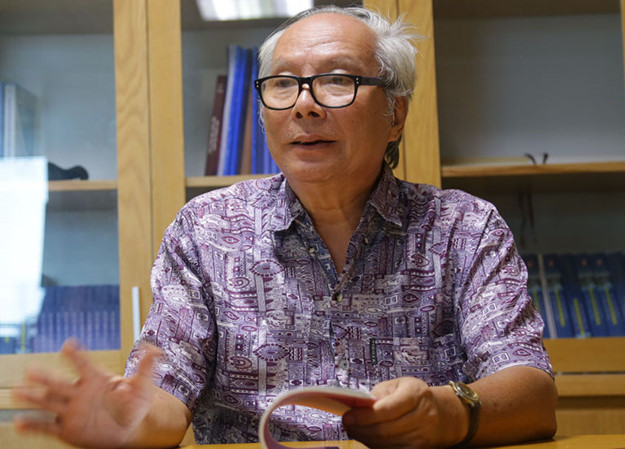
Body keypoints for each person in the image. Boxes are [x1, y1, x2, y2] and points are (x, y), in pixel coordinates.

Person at [12, 5, 557, 449]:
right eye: (283, 84)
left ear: (395, 114)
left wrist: (450, 413)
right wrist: (127, 422)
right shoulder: (206, 230)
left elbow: (532, 392)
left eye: (337, 81)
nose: (304, 106)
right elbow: (164, 392)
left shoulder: (465, 227)